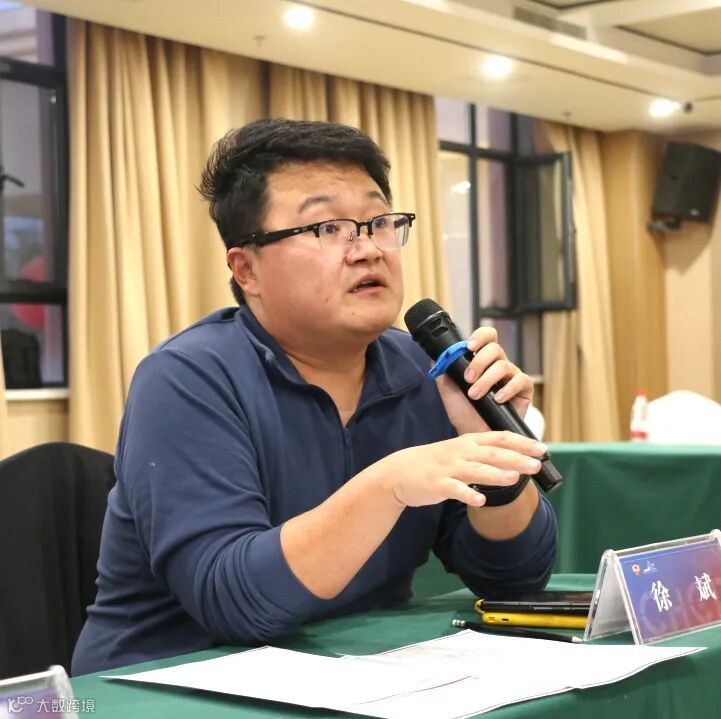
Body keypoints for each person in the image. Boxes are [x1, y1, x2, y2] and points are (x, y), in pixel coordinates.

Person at [71, 118, 557, 675]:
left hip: (357, 676)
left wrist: (494, 455)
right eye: (328, 228)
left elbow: (513, 579)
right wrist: (387, 486)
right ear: (246, 269)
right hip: (165, 685)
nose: (367, 249)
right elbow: (233, 603)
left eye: (379, 222)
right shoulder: (186, 378)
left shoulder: (423, 370)